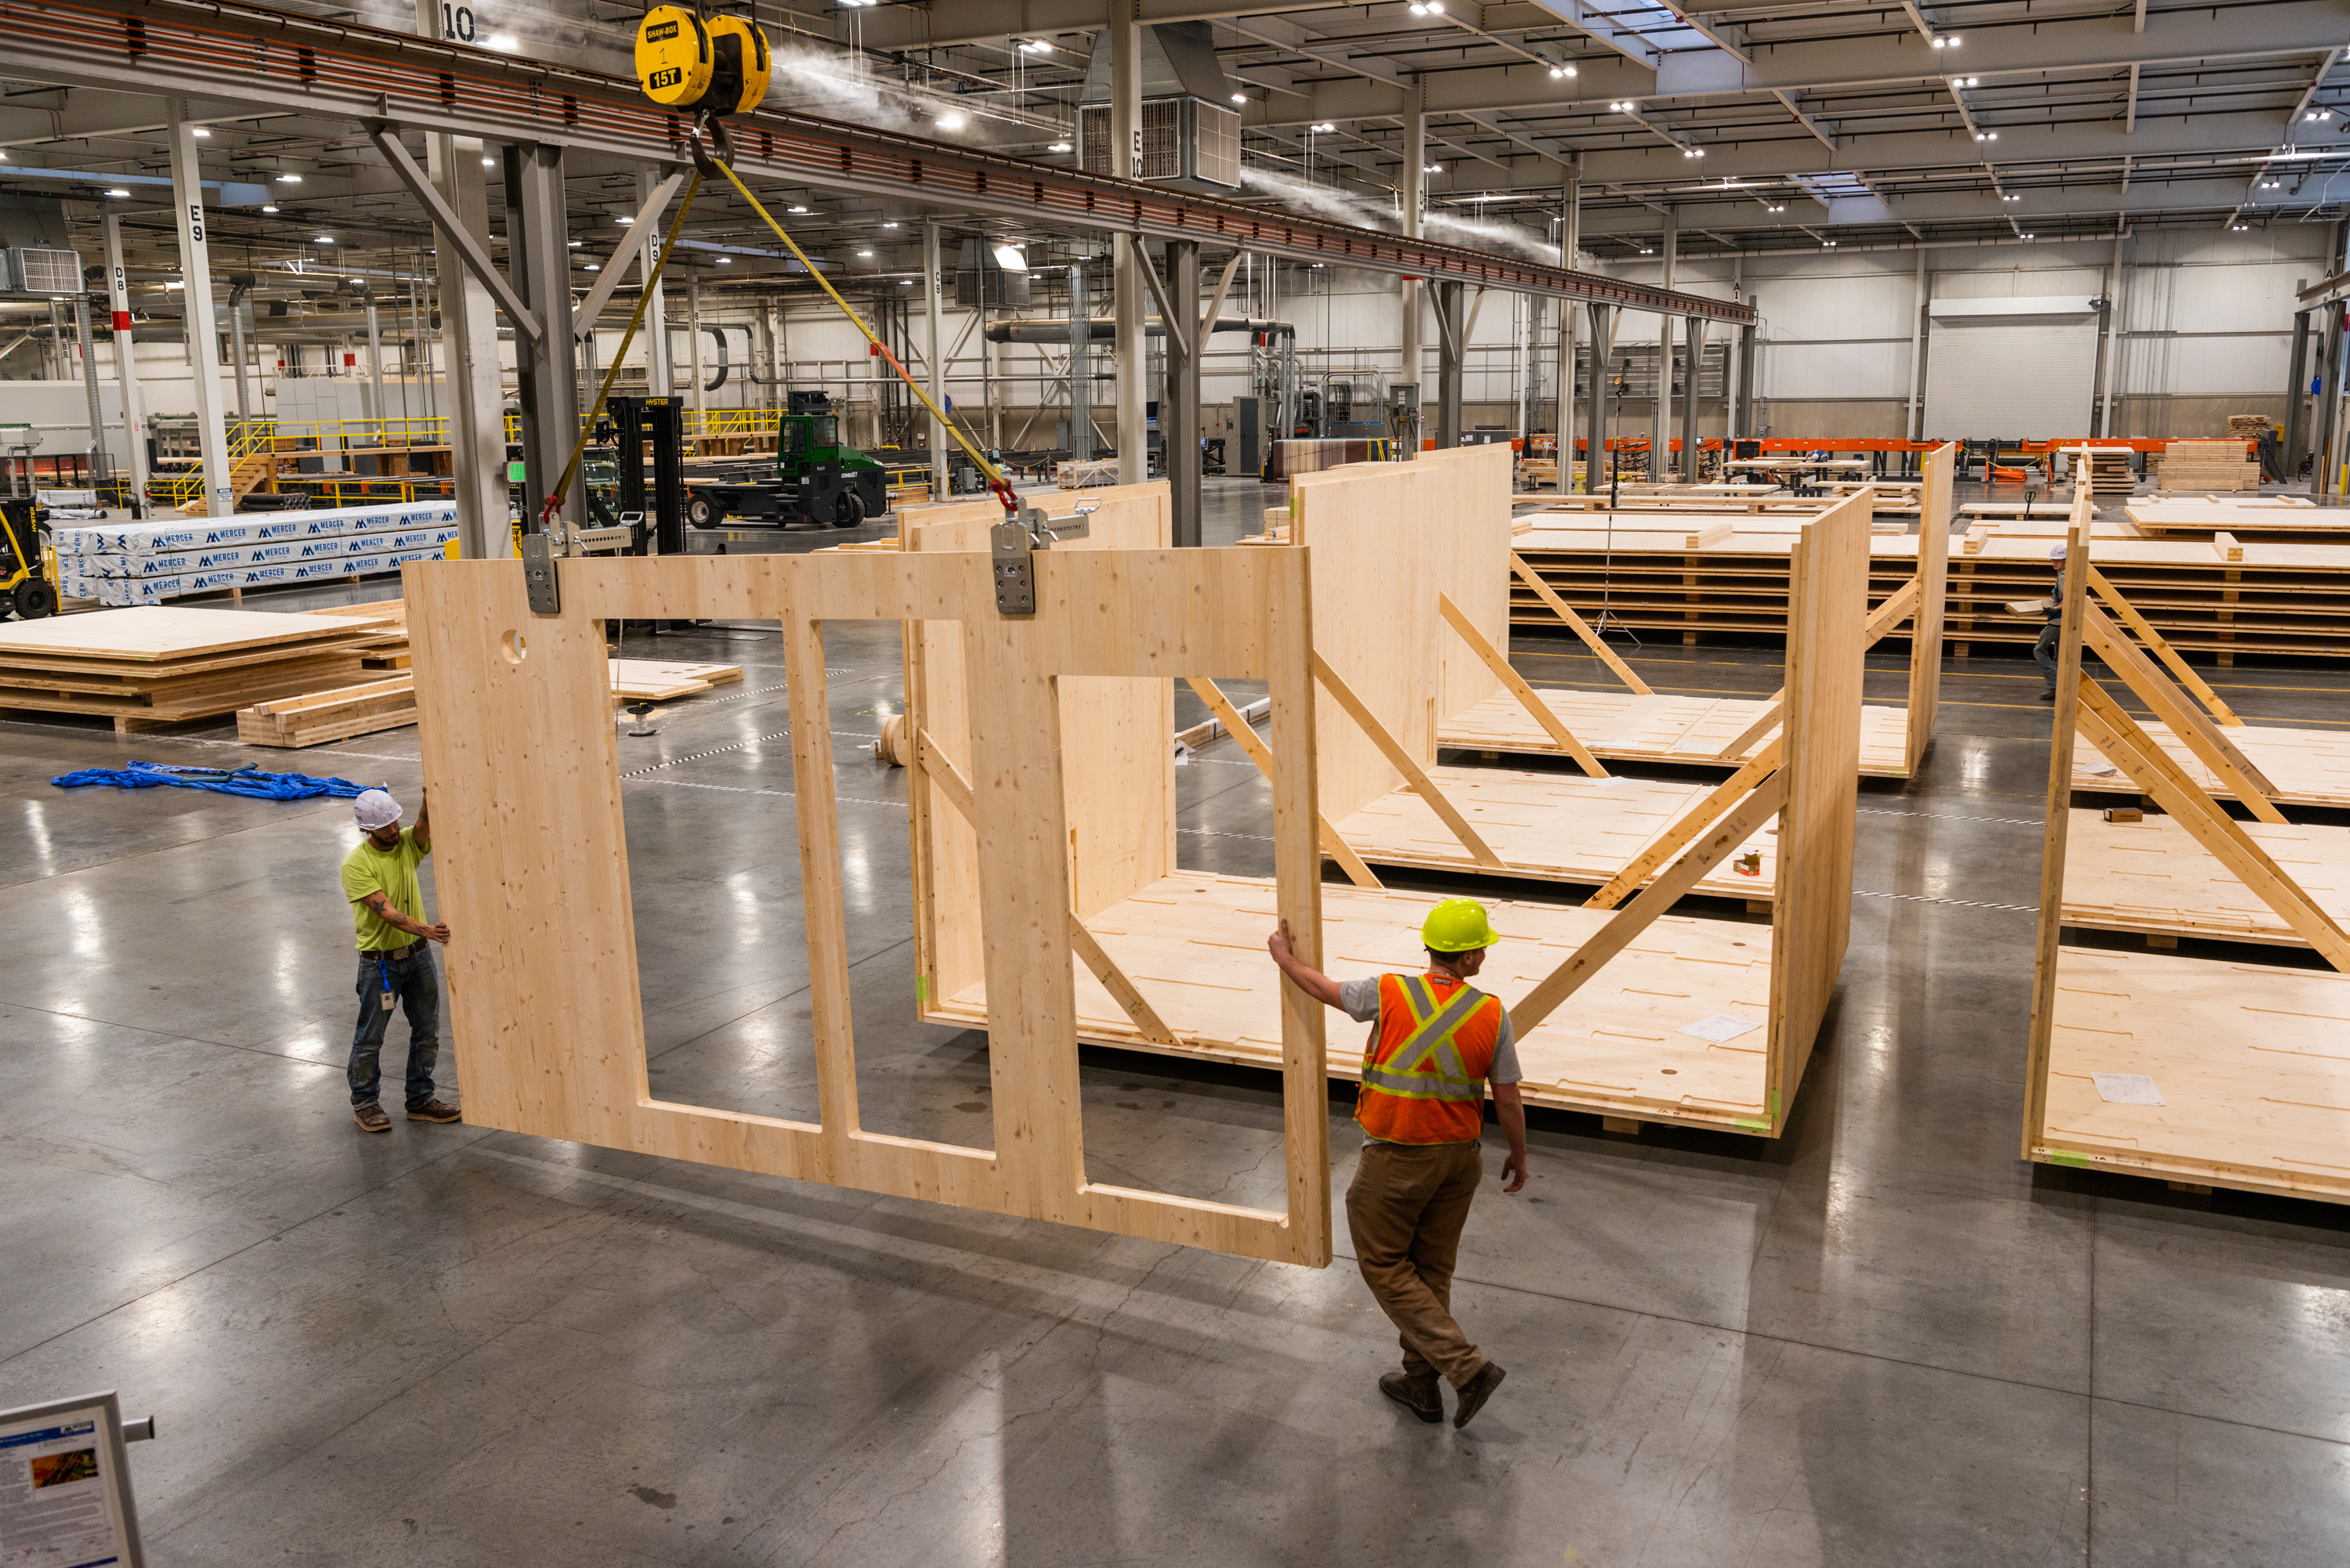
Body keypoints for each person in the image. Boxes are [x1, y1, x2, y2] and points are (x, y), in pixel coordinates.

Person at [1267, 897, 1528, 1430]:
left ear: (1430, 947)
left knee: (1385, 1263)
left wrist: (1284, 958)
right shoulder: (1491, 1011)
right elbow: (1507, 1098)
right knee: (1431, 1272)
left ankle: (1466, 1367)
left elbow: (1322, 988)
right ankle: (1420, 1384)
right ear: (1473, 959)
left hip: (1397, 1157)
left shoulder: (1388, 993)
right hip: (1459, 1161)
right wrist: (1519, 1156)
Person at [341, 787, 457, 1133]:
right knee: (371, 1036)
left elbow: (424, 822)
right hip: (381, 966)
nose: (394, 831)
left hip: (418, 959)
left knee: (427, 1031)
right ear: (366, 830)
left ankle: (420, 1099)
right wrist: (428, 930)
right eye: (385, 827)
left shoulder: (406, 843)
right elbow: (387, 913)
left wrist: (431, 791)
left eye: (395, 822)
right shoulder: (356, 865)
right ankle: (365, 1102)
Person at [2034, 543, 2066, 699]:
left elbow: (2070, 601)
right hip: (2062, 622)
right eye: (2053, 559)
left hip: (2057, 622)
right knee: (2060, 656)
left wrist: (2052, 609)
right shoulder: (2063, 575)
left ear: (2066, 560)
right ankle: (2061, 688)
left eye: (2059, 560)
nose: (2055, 562)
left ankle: (2055, 685)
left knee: (2039, 650)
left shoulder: (2063, 578)